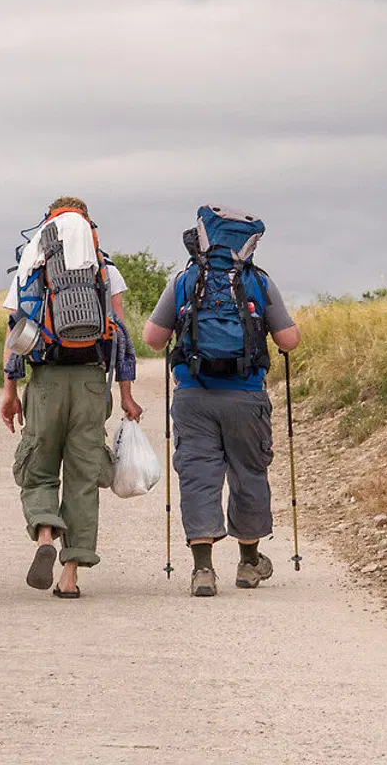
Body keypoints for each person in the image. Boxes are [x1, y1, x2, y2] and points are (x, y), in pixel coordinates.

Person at [142, 205, 300, 597]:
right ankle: (248, 563)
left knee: (199, 476)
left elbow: (153, 339)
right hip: (246, 396)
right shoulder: (259, 282)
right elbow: (289, 341)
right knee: (249, 474)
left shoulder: (185, 280)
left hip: (193, 395)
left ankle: (203, 571)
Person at [1, 196, 143, 599]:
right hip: (91, 382)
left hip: (45, 381)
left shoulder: (32, 264)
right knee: (83, 477)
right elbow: (121, 339)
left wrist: (10, 393)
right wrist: (127, 396)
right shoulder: (105, 269)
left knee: (39, 467)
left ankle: (46, 534)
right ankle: (70, 576)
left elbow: (15, 337)